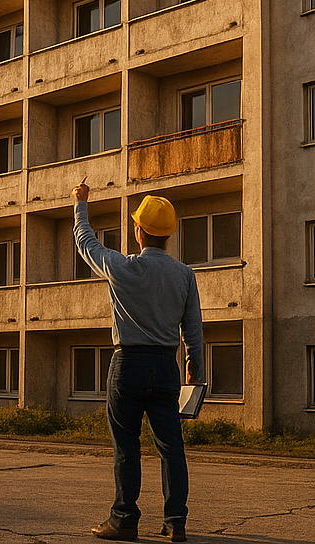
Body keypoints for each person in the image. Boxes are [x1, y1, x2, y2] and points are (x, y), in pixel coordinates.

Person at [73, 180, 203, 543]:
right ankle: (175, 521)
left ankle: (124, 520)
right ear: (169, 235)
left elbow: (87, 243)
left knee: (127, 445)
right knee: (171, 447)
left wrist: (81, 204)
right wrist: (196, 367)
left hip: (127, 364)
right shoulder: (184, 274)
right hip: (166, 366)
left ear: (138, 231)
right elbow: (193, 328)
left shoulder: (122, 267)